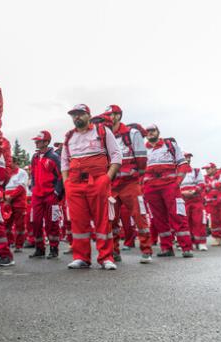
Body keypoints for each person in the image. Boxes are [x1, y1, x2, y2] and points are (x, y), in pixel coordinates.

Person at [61, 104, 122, 270]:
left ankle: (106, 257)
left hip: (98, 182)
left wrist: (107, 178)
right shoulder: (69, 136)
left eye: (80, 114)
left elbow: (117, 155)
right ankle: (81, 257)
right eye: (74, 115)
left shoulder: (101, 131)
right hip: (74, 184)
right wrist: (66, 183)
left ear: (88, 115)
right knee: (78, 222)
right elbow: (64, 162)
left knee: (103, 220)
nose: (76, 117)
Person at [104, 105, 153, 263]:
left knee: (139, 216)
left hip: (130, 183)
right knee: (111, 219)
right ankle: (114, 252)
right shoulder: (104, 134)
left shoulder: (132, 133)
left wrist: (136, 174)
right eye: (107, 115)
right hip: (112, 184)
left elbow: (141, 159)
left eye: (112, 114)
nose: (109, 117)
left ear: (119, 115)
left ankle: (146, 251)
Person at [143, 124, 194, 257]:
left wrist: (177, 183)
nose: (150, 133)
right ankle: (166, 248)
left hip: (169, 187)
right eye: (147, 132)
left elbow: (183, 165)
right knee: (158, 219)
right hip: (151, 188)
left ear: (158, 132)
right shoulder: (143, 150)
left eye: (152, 131)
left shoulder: (170, 145)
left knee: (178, 215)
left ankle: (186, 248)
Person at [29, 130, 63, 259]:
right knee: (36, 222)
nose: (36, 143)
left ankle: (54, 248)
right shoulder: (35, 157)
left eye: (39, 141)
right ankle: (39, 249)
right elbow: (32, 174)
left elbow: (61, 176)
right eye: (36, 141)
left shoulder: (54, 157)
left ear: (46, 142)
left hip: (50, 196)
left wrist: (56, 192)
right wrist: (33, 187)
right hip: (37, 196)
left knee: (52, 222)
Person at [181, 153, 208, 251]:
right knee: (184, 222)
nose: (187, 159)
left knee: (199, 221)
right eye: (185, 157)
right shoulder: (176, 172)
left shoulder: (196, 171)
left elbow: (201, 184)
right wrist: (182, 192)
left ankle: (201, 243)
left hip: (196, 199)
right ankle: (187, 243)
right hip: (183, 200)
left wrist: (194, 191)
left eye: (188, 158)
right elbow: (174, 185)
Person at [4, 160, 29, 252]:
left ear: (16, 163)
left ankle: (19, 245)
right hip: (7, 202)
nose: (9, 164)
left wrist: (10, 197)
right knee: (6, 224)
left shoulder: (22, 172)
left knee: (19, 225)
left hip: (19, 203)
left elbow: (21, 187)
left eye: (10, 162)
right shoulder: (7, 173)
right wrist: (4, 197)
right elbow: (3, 187)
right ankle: (9, 242)